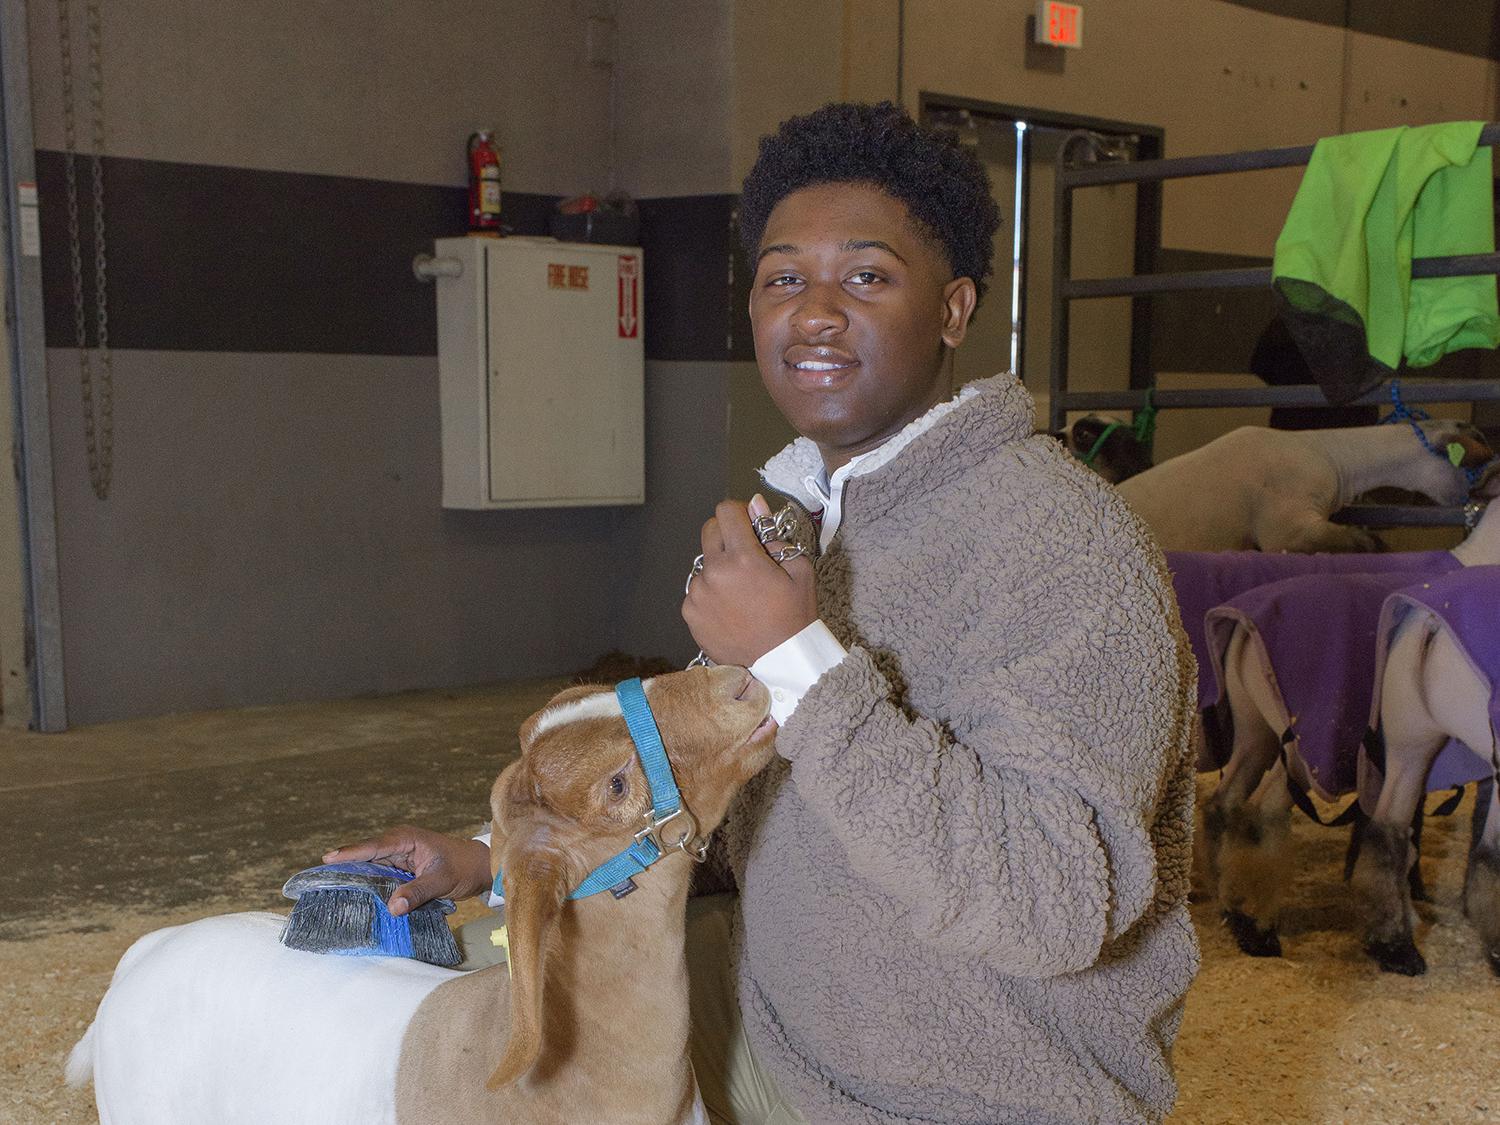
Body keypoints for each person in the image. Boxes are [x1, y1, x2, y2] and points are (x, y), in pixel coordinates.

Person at [328, 101, 1199, 1125]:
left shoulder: (1067, 548)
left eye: (866, 277)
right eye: (785, 278)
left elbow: (1052, 905)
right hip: (780, 1019)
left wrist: (798, 659)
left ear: (955, 311)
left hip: (959, 1097)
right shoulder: (806, 522)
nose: (815, 311)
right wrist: (496, 859)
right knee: (422, 1037)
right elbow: (732, 817)